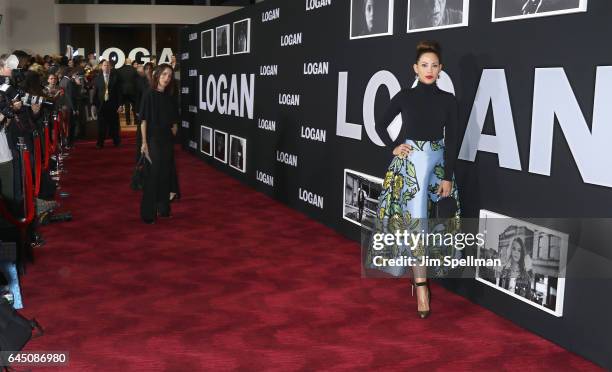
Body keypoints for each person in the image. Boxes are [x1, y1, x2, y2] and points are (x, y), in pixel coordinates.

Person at [372, 40, 460, 319]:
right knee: (414, 228)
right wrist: (394, 146)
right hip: (409, 169)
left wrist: (447, 177)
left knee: (434, 226)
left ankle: (420, 279)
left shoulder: (449, 101)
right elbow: (379, 124)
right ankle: (421, 286)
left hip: (437, 167)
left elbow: (454, 141)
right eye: (424, 65)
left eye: (434, 65)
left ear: (441, 69)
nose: (430, 69)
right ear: (415, 68)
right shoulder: (404, 97)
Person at [139, 64, 179, 224]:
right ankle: (148, 213)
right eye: (164, 75)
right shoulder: (149, 94)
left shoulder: (170, 97)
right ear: (157, 75)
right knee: (154, 174)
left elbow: (175, 120)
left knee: (165, 173)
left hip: (166, 140)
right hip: (153, 139)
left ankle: (163, 209)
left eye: (169, 76)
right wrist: (144, 143)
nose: (167, 78)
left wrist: (173, 130)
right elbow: (143, 121)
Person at [93, 59, 124, 148]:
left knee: (114, 125)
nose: (106, 67)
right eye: (104, 65)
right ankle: (100, 143)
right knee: (101, 126)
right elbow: (95, 92)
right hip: (101, 106)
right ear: (101, 67)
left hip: (113, 105)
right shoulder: (97, 78)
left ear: (110, 67)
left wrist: (120, 105)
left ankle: (117, 142)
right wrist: (93, 105)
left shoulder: (115, 77)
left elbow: (119, 92)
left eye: (108, 65)